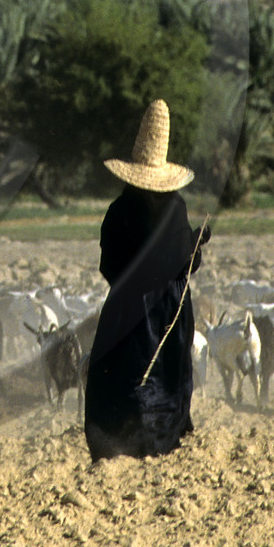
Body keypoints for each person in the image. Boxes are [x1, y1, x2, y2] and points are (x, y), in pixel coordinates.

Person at [83, 99, 210, 460]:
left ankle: (117, 442)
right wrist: (195, 246)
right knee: (166, 376)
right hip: (169, 312)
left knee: (121, 374)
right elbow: (184, 264)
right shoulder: (175, 209)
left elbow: (109, 265)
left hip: (126, 309)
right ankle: (161, 440)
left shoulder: (118, 211)